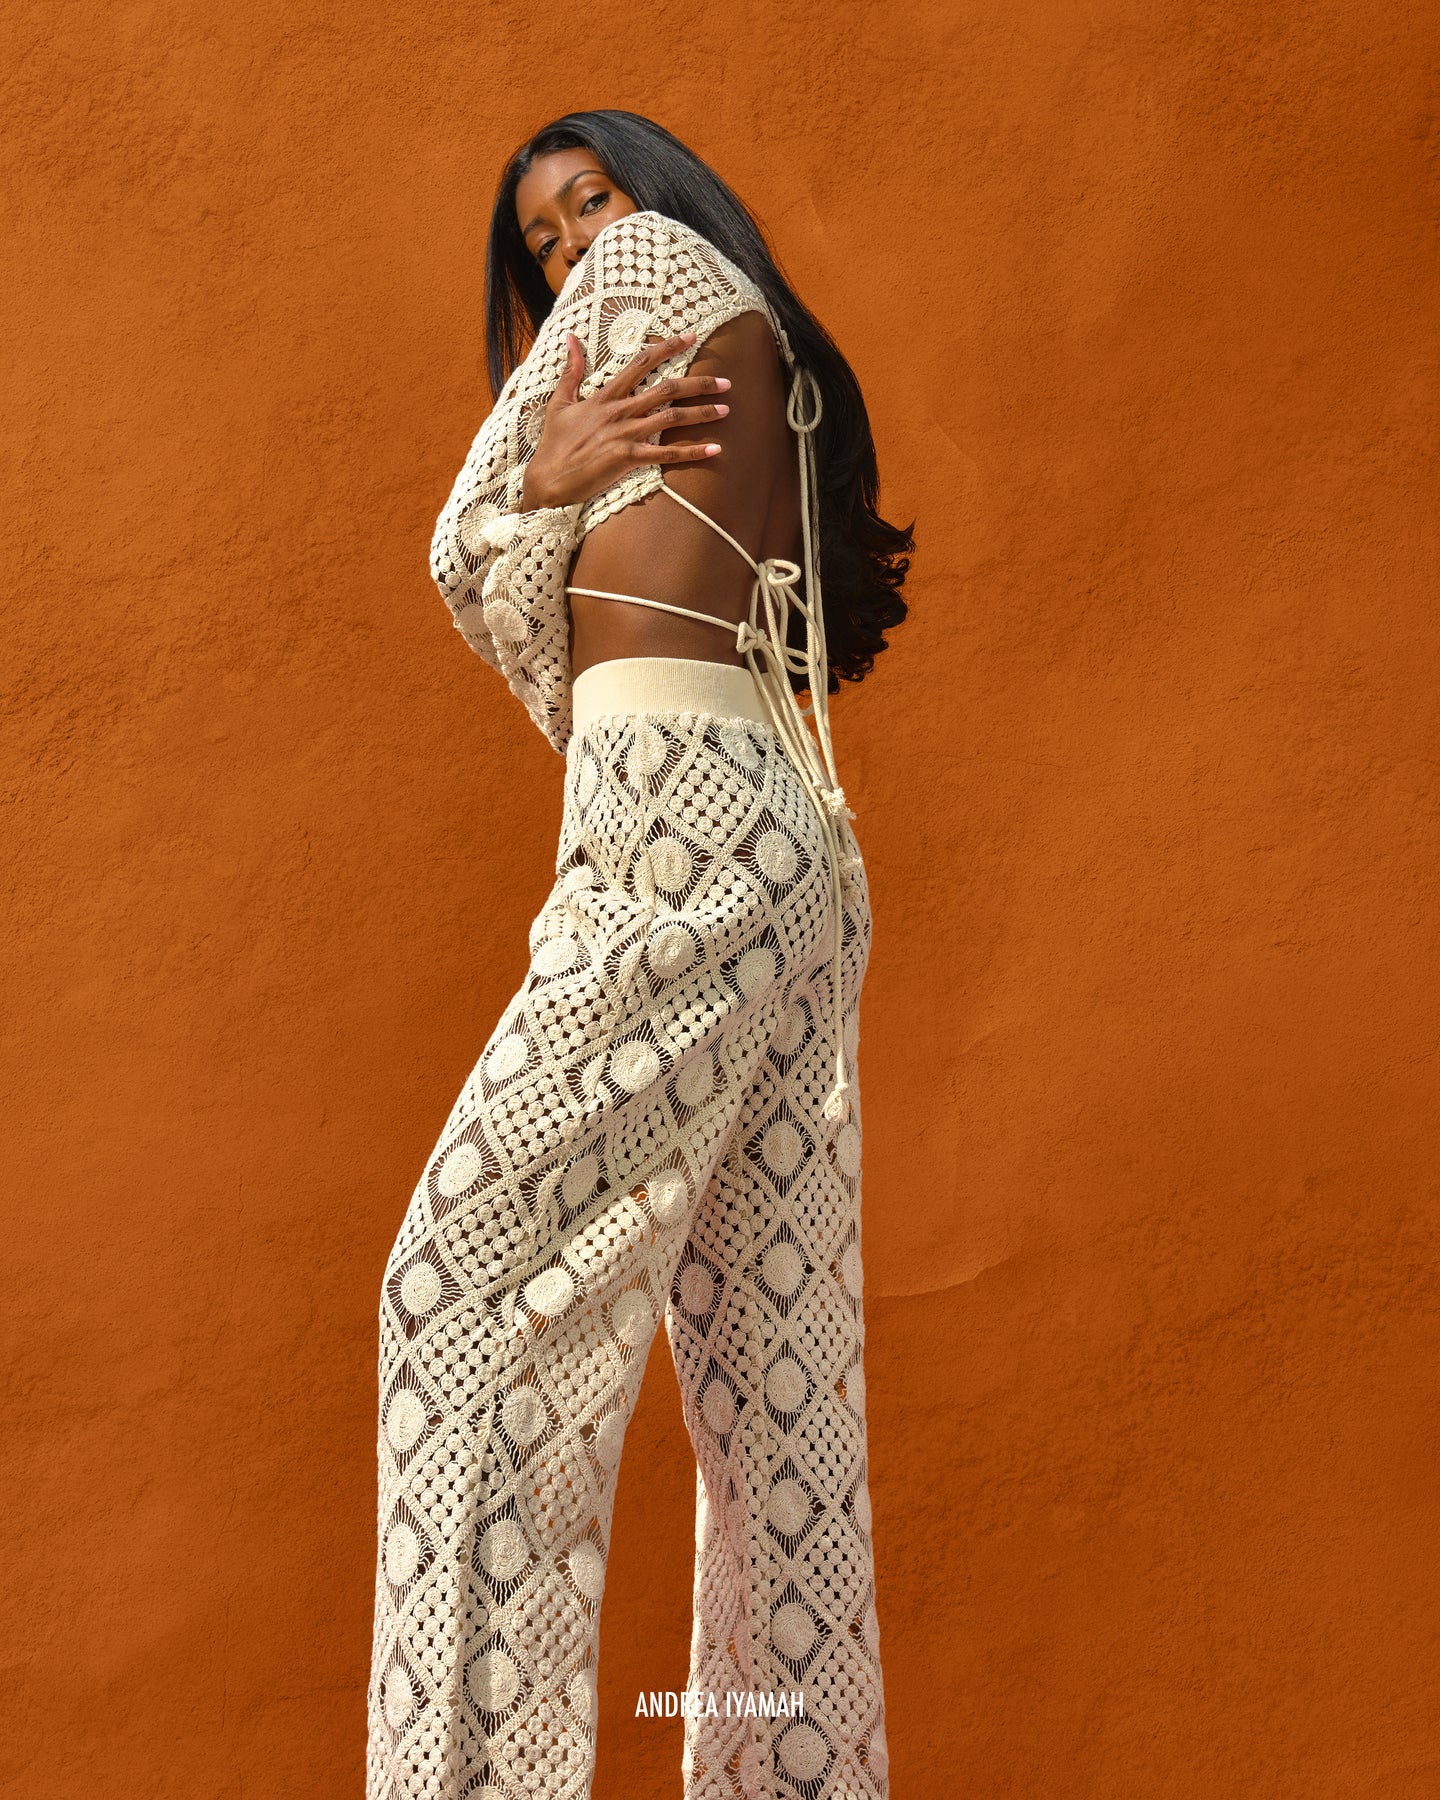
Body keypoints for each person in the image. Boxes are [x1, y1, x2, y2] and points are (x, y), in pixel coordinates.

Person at [365, 109, 912, 1800]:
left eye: (589, 201)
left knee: (455, 1292)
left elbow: (472, 560)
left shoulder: (658, 270)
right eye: (545, 246)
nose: (575, 250)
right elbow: (545, 605)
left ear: (658, 198)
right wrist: (552, 513)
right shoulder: (748, 355)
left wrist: (532, 491)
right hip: (784, 848)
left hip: (681, 840)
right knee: (776, 1389)